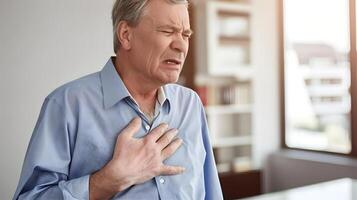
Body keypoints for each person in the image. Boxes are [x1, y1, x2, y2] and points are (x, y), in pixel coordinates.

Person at [13, 0, 223, 199]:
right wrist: (107, 182)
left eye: (186, 34)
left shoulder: (191, 104)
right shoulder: (66, 105)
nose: (181, 46)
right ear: (126, 35)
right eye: (167, 31)